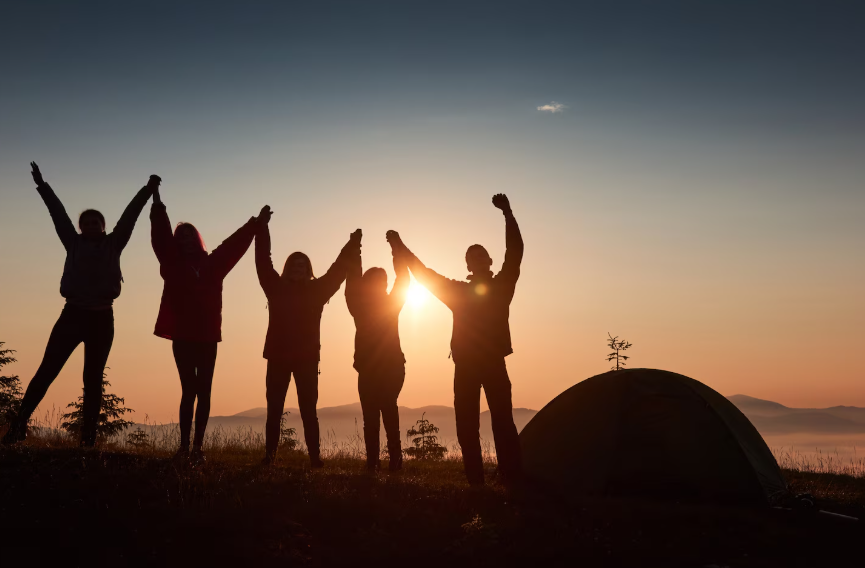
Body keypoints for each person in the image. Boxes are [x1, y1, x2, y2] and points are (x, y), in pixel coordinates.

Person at [2, 163, 158, 447]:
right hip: (71, 316)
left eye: (95, 223)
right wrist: (43, 185)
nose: (90, 226)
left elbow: (130, 216)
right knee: (47, 371)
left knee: (93, 379)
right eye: (85, 223)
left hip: (101, 319)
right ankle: (18, 427)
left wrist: (147, 191)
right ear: (80, 228)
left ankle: (88, 439)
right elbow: (57, 213)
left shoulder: (115, 243)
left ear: (103, 226)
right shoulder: (72, 242)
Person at [388, 194, 524, 485]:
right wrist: (399, 247)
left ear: (488, 261)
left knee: (502, 421)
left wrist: (508, 214)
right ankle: (476, 481)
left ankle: (512, 478)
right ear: (468, 264)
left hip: (493, 363)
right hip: (465, 366)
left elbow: (515, 251)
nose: (475, 259)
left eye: (480, 255)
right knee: (466, 426)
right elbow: (424, 274)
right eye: (470, 257)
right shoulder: (459, 293)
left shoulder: (502, 285)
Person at [150, 187, 266, 463]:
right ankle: (183, 447)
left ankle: (197, 449)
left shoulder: (213, 264)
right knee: (188, 390)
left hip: (207, 337)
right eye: (182, 237)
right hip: (182, 336)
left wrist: (255, 224)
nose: (186, 240)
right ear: (177, 242)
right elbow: (160, 236)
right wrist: (156, 200)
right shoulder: (172, 263)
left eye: (190, 235)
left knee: (204, 391)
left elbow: (233, 246)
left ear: (197, 239)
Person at [255, 212, 361, 468]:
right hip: (278, 357)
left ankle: (315, 459)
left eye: (302, 266)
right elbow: (262, 260)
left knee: (308, 411)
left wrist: (352, 245)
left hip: (306, 359)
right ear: (287, 268)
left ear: (308, 270)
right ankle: (270, 457)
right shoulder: (275, 287)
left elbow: (337, 272)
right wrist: (262, 228)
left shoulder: (317, 291)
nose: (297, 269)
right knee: (274, 410)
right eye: (294, 265)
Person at [345, 231, 410, 471]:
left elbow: (402, 279)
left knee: (386, 411)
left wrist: (395, 247)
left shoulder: (389, 304)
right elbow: (352, 279)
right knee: (373, 416)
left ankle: (392, 461)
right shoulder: (359, 307)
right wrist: (355, 248)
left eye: (382, 281)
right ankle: (375, 461)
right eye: (377, 281)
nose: (380, 285)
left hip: (391, 368)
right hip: (371, 369)